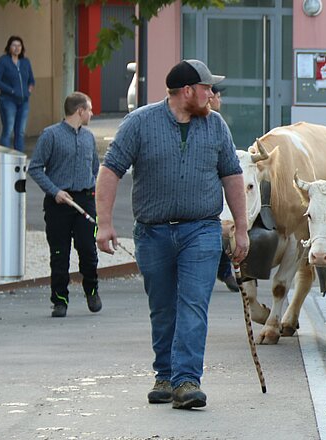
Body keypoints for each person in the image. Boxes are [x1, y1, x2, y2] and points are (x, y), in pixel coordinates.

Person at [95, 59, 250, 410]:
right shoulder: (139, 123)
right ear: (188, 91)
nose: (212, 94)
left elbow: (232, 176)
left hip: (201, 229)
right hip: (153, 232)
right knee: (163, 307)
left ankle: (186, 380)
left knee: (193, 304)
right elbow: (110, 170)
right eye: (207, 88)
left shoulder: (216, 126)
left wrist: (241, 229)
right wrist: (103, 223)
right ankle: (164, 374)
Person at [27, 92, 100, 318]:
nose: (92, 113)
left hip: (84, 201)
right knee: (59, 253)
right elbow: (35, 168)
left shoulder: (89, 138)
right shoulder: (50, 136)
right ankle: (60, 300)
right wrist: (55, 191)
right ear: (79, 111)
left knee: (88, 249)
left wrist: (89, 190)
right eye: (89, 109)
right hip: (59, 202)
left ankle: (92, 290)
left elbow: (95, 167)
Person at [208, 84, 240, 293]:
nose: (220, 101)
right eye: (218, 96)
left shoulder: (218, 124)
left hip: (218, 187)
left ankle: (223, 270)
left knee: (222, 229)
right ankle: (222, 271)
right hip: (207, 190)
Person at [0, 35, 35, 152]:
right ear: (9, 47)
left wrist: (28, 91)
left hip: (24, 101)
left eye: (19, 45)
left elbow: (31, 80)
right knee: (8, 130)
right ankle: (5, 159)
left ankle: (19, 159)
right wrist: (11, 90)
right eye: (14, 45)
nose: (17, 48)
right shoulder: (2, 61)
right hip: (8, 101)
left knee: (20, 132)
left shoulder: (25, 62)